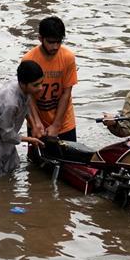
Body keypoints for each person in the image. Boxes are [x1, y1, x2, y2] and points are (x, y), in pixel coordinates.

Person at [21, 16, 78, 164]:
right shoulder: (29, 59)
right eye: (51, 42)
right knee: (36, 166)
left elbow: (67, 92)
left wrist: (56, 125)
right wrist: (36, 123)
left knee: (70, 165)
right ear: (40, 38)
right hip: (37, 122)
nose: (55, 46)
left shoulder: (68, 58)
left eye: (59, 42)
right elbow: (28, 95)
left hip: (64, 122)